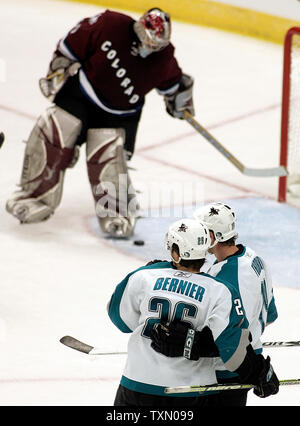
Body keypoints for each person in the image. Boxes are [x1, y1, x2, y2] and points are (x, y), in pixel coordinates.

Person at [6, 8, 194, 237]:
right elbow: (69, 46)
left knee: (108, 158)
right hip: (79, 95)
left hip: (120, 115)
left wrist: (181, 101)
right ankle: (33, 198)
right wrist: (58, 69)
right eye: (148, 40)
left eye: (158, 44)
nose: (151, 47)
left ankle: (117, 214)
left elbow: (176, 85)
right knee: (52, 132)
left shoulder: (163, 59)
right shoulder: (109, 24)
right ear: (139, 28)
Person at [107, 217, 279, 407]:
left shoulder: (143, 276)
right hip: (190, 393)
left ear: (175, 252)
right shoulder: (221, 290)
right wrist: (261, 372)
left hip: (136, 386)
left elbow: (120, 319)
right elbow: (233, 352)